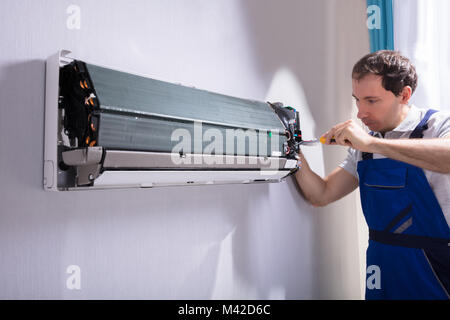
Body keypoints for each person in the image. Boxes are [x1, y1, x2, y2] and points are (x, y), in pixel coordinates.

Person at [295, 50, 450, 300]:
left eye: (371, 101)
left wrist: (371, 144)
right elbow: (321, 194)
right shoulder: (365, 148)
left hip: (435, 268)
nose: (360, 113)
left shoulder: (437, 126)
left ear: (405, 94)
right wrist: (292, 155)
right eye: (357, 100)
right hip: (381, 264)